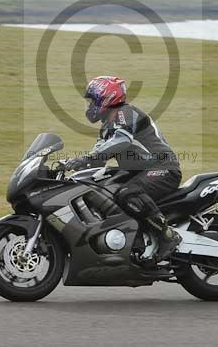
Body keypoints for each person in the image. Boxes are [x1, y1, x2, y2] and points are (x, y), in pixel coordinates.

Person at [64, 75, 182, 261]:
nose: (89, 107)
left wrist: (86, 158)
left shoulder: (125, 113)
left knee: (128, 193)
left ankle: (167, 236)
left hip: (163, 168)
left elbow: (121, 141)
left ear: (107, 98)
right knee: (104, 190)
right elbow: (97, 158)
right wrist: (70, 166)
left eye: (91, 101)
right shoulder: (106, 127)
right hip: (143, 172)